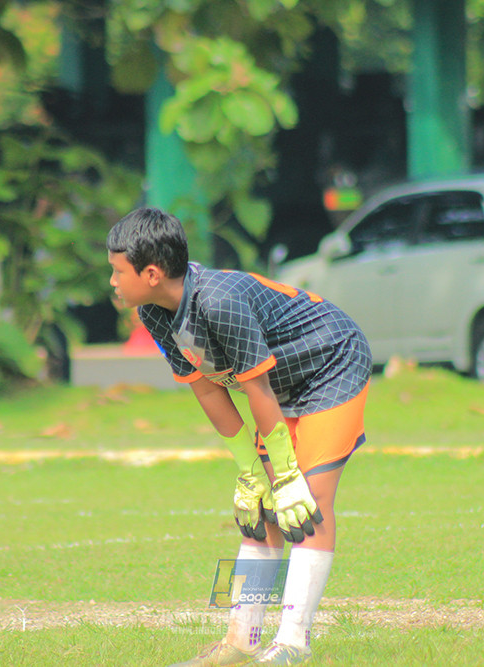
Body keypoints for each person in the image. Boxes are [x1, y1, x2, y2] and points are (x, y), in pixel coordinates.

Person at [107, 208, 372, 666]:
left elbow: (257, 389)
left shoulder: (219, 301)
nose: (112, 282)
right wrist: (251, 472)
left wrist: (286, 475)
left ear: (151, 274)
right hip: (280, 385)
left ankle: (293, 644)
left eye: (117, 271)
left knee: (306, 501)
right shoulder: (153, 312)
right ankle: (241, 640)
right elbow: (209, 390)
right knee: (263, 509)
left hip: (331, 364)